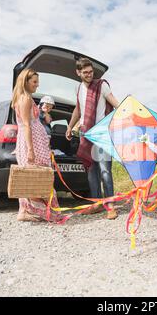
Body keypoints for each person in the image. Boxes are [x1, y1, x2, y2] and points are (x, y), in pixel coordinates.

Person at [12, 68, 69, 224]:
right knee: (40, 177)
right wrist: (30, 150)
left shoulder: (27, 98)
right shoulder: (25, 99)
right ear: (25, 81)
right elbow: (25, 125)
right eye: (34, 82)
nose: (37, 85)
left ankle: (24, 211)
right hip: (33, 145)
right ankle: (50, 213)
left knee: (31, 177)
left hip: (36, 144)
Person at [65, 58, 120, 220]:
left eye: (91, 72)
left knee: (105, 170)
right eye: (85, 72)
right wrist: (70, 126)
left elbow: (114, 102)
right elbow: (78, 109)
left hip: (102, 133)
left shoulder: (102, 85)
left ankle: (110, 205)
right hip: (85, 133)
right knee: (91, 170)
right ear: (78, 73)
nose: (89, 75)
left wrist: (125, 110)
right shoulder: (79, 88)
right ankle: (95, 204)